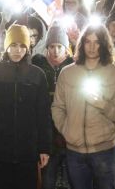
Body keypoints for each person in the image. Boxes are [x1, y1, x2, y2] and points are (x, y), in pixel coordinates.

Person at [51, 24, 115, 189]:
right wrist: (66, 130)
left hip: (104, 152)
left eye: (97, 42)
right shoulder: (67, 73)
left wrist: (103, 105)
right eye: (88, 42)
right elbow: (58, 107)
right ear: (82, 44)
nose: (92, 47)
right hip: (74, 152)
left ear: (104, 44)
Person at [0, 24, 52, 189]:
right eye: (13, 45)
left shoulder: (37, 74)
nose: (18, 50)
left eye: (22, 45)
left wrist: (44, 147)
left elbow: (43, 113)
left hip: (26, 151)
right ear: (6, 46)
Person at [33, 25, 74, 189]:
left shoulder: (74, 66)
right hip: (47, 133)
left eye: (59, 46)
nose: (55, 51)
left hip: (69, 132)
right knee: (48, 179)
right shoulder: (38, 65)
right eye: (52, 46)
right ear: (47, 47)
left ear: (66, 48)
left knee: (74, 179)